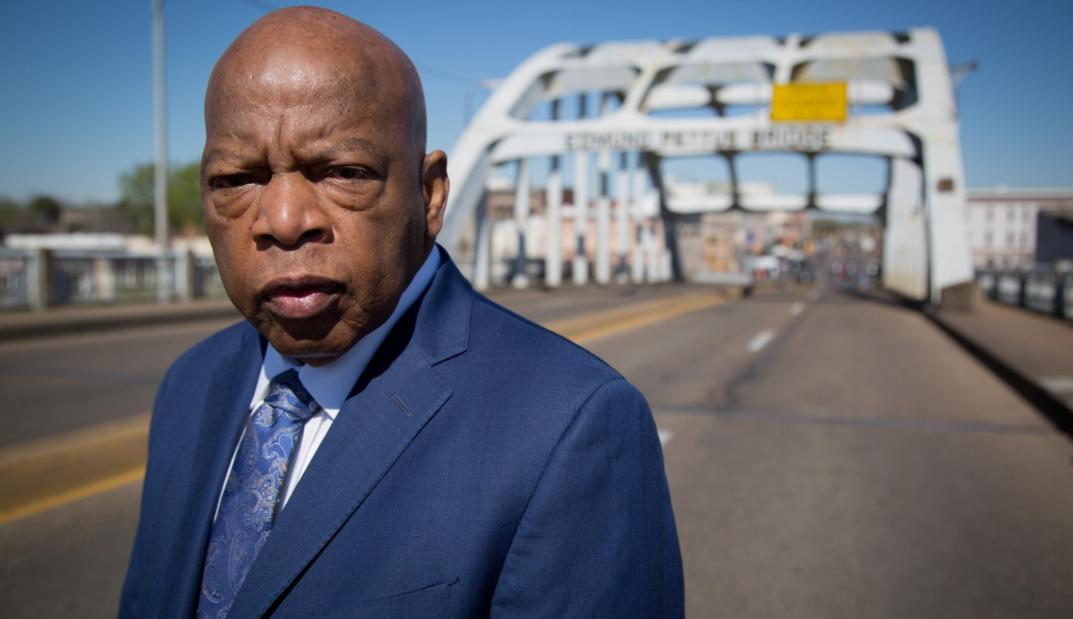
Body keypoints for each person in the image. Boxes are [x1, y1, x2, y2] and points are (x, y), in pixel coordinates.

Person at [119, 7, 683, 618]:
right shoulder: (191, 382)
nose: (282, 221)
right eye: (236, 181)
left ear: (430, 195)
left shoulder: (572, 423)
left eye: (344, 173)